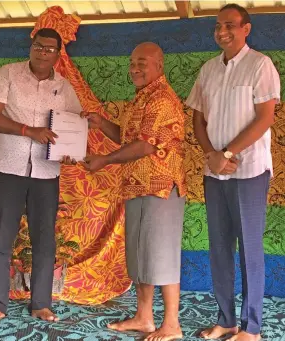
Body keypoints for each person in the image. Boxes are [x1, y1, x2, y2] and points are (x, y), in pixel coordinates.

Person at [186, 4, 280, 341]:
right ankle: (225, 320)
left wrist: (227, 153)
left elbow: (265, 118)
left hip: (249, 171)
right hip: (215, 173)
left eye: (229, 25)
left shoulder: (260, 65)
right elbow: (197, 118)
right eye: (217, 26)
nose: (221, 31)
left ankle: (250, 327)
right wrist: (211, 155)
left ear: (246, 28)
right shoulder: (208, 69)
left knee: (250, 248)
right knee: (219, 248)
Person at [81, 42, 186, 341]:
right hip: (136, 186)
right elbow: (129, 138)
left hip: (161, 188)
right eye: (132, 63)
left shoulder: (162, 100)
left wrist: (104, 161)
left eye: (142, 62)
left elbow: (144, 146)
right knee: (140, 255)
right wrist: (102, 124)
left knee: (161, 256)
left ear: (159, 65)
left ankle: (172, 324)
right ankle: (144, 317)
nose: (135, 68)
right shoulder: (141, 99)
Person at [0, 28, 82, 325]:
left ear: (58, 54)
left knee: (44, 240)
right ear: (31, 46)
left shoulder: (64, 88)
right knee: (1, 239)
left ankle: (41, 304)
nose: (43, 52)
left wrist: (73, 142)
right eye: (39, 46)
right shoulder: (8, 74)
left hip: (46, 172)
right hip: (8, 168)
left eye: (50, 49)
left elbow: (73, 124)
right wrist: (28, 131)